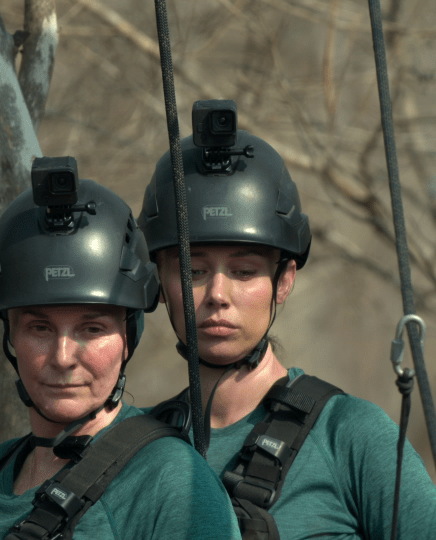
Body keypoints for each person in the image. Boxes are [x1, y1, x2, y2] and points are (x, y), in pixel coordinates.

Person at [137, 100, 436, 539]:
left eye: (243, 271)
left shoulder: (350, 435)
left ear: (284, 281)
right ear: (160, 282)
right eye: (193, 271)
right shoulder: (131, 449)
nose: (218, 295)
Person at [0, 159, 240, 540]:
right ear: (10, 335)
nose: (62, 357)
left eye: (91, 329)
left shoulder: (170, 481)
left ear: (128, 337)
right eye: (40, 328)